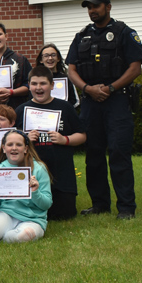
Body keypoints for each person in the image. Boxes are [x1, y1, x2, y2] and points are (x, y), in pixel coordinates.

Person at [65, 0, 142, 220]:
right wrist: (87, 89)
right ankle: (100, 204)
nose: (92, 10)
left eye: (96, 6)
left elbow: (135, 67)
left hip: (117, 101)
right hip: (91, 103)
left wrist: (110, 88)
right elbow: (71, 69)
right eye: (89, 7)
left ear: (108, 7)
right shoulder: (81, 36)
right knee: (93, 155)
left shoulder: (124, 33)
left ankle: (126, 208)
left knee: (119, 153)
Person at [15, 67, 86, 220]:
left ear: (52, 85)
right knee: (31, 210)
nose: (38, 88)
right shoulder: (21, 110)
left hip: (61, 175)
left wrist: (64, 140)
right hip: (33, 175)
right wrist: (25, 138)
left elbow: (82, 136)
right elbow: (11, 141)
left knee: (64, 214)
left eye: (43, 83)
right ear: (29, 85)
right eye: (34, 84)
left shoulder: (65, 107)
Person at [0, 131, 52, 243]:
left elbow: (46, 204)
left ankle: (7, 235)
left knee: (23, 236)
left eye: (19, 145)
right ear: (4, 148)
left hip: (33, 219)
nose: (14, 148)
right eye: (10, 145)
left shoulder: (39, 169)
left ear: (26, 149)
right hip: (6, 214)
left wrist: (35, 192)